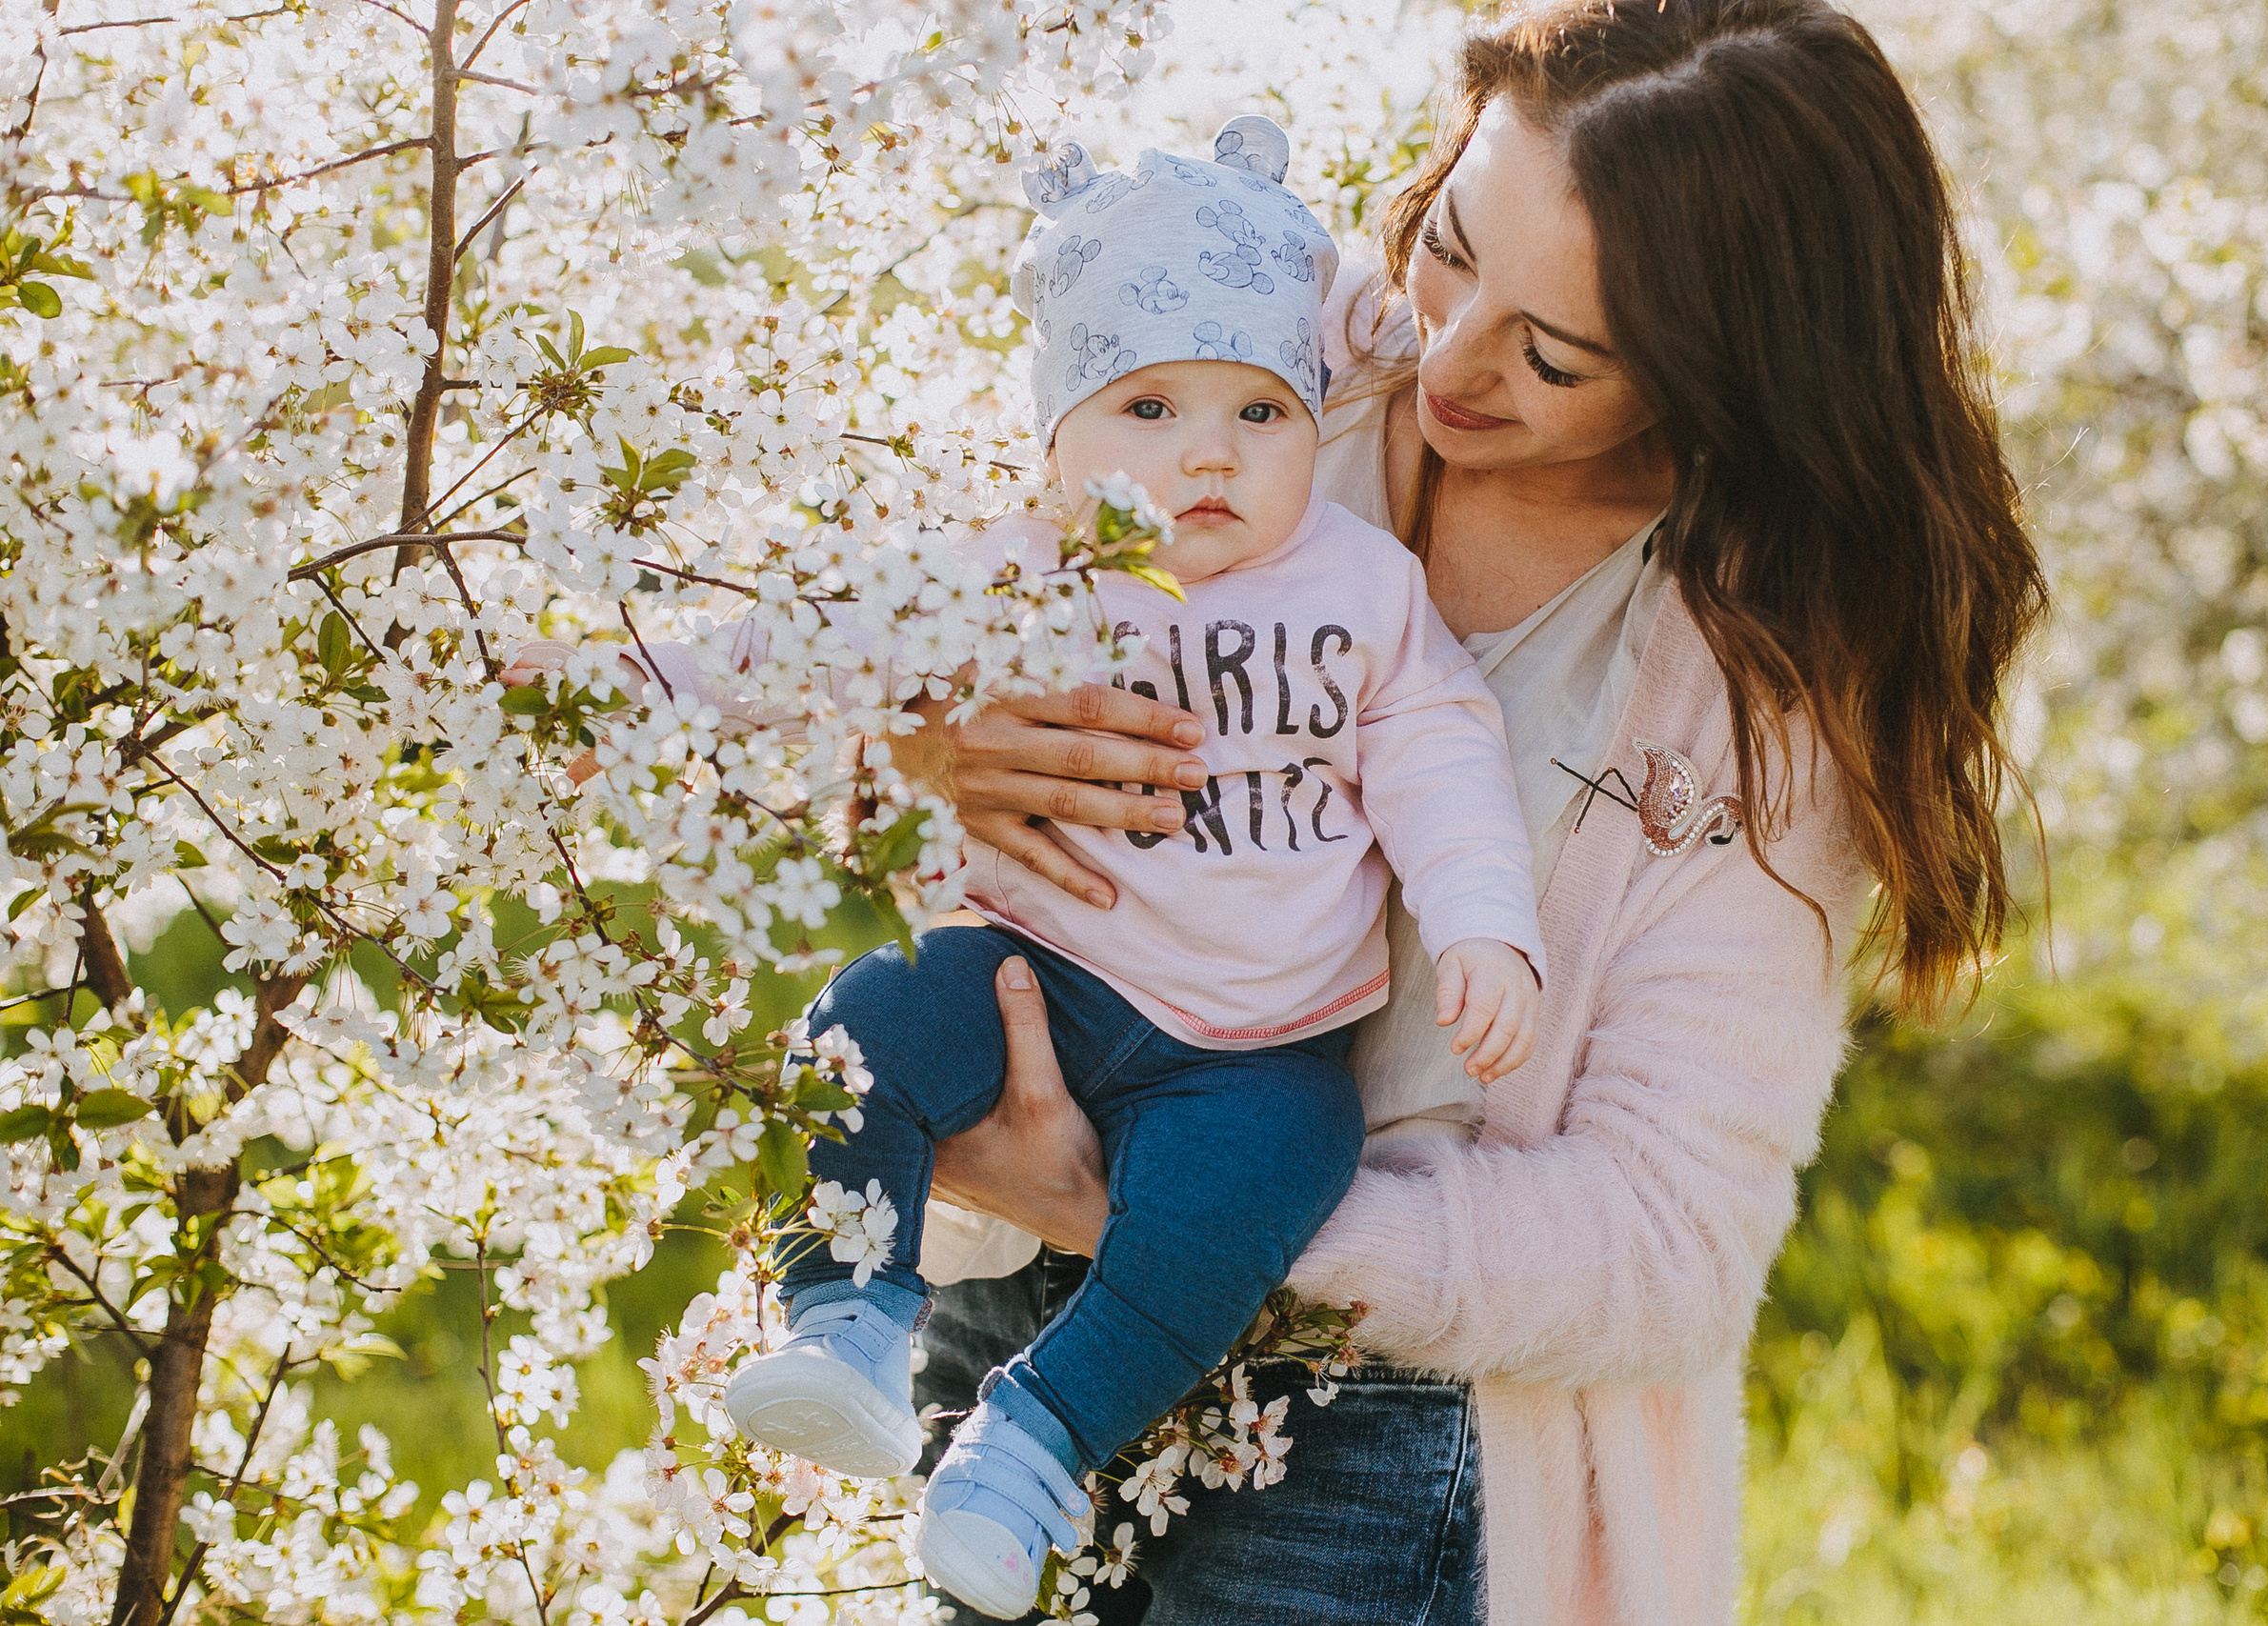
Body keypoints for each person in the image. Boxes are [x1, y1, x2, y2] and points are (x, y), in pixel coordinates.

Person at [895, 3, 2051, 1623]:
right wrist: (927, 741)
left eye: (1554, 356)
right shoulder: (1254, 352)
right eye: (1450, 248)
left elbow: (1664, 1244)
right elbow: (878, 615)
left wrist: (1162, 1219)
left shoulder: (1759, 686)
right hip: (1003, 1305)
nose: (1444, 362)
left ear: (1723, 372)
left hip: (1365, 1436)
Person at [519, 117, 1547, 1620]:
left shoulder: (1361, 589)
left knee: (1241, 1215)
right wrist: (622, 693)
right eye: (1148, 407)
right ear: (1057, 441)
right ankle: (846, 1318)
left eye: (1262, 411)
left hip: (1257, 1050)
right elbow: (814, 639)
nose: (1210, 452)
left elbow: (1445, 761)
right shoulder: (1017, 571)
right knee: (863, 1025)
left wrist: (1483, 930)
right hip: (1037, 970)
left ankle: (1033, 1446)